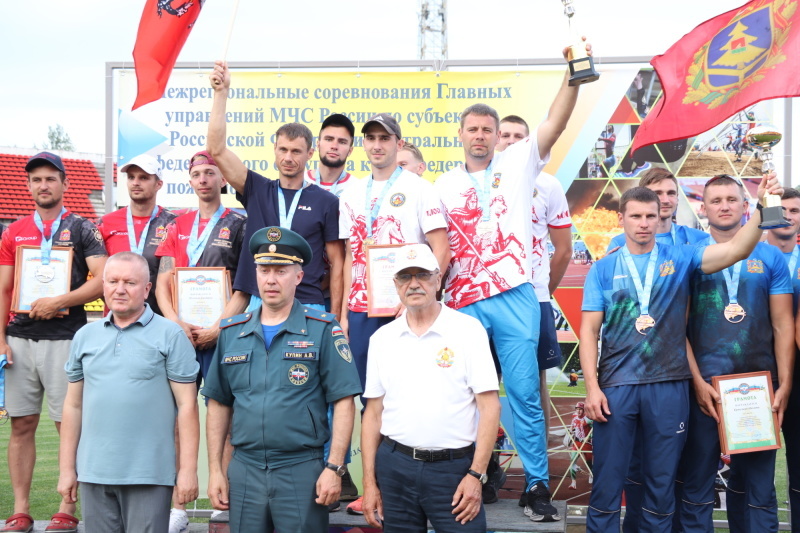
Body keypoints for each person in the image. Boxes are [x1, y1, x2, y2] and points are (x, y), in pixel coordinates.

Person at [434, 41, 591, 522]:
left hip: (514, 295)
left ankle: (537, 485)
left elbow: (555, 122)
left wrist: (573, 76)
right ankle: (463, 477)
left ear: (496, 135)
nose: (480, 135)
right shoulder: (443, 185)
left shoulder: (520, 164)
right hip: (462, 301)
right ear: (460, 134)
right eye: (473, 129)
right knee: (460, 392)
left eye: (488, 129)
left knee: (524, 393)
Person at [579, 176, 781, 533]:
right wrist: (592, 387)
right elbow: (589, 332)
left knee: (662, 486)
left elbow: (735, 251)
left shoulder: (681, 256)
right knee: (608, 484)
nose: (643, 224)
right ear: (621, 219)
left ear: (661, 219)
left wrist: (763, 208)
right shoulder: (603, 268)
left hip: (669, 384)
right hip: (617, 385)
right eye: (636, 216)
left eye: (650, 217)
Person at [202, 227, 362, 532]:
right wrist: (215, 471)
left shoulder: (322, 329)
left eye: (281, 270)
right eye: (264, 270)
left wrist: (334, 468)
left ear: (298, 277)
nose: (271, 279)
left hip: (301, 469)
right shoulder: (232, 332)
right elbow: (219, 404)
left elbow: (343, 401)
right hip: (245, 468)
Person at [338, 113, 450, 514]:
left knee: (415, 389)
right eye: (370, 138)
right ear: (362, 145)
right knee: (371, 397)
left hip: (409, 307)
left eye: (385, 138)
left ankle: (405, 485)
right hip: (363, 308)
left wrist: (421, 296)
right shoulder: (350, 192)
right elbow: (349, 256)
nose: (376, 145)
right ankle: (372, 488)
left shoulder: (420, 189)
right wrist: (345, 310)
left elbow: (441, 247)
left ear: (398, 143)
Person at [675, 175, 793, 532]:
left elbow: (783, 324)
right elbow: (677, 329)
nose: (724, 206)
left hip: (758, 388)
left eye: (731, 199)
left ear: (746, 206)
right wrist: (696, 380)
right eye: (716, 200)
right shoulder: (690, 256)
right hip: (707, 390)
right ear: (704, 208)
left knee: (757, 488)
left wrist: (784, 382)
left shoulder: (771, 256)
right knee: (697, 485)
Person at [0, 152, 107, 533]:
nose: (42, 185)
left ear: (64, 184)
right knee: (22, 424)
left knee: (69, 424)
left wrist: (60, 300)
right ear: (28, 186)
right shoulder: (14, 230)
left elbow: (102, 278)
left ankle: (67, 506)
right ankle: (21, 508)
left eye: (49, 179)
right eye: (35, 180)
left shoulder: (82, 227)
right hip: (21, 338)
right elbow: (4, 288)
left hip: (67, 338)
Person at [360, 243, 501, 532]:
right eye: (405, 277)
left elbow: (490, 407)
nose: (414, 284)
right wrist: (369, 483)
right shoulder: (382, 339)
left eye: (422, 275)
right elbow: (373, 414)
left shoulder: (468, 330)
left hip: (454, 471)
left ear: (438, 279)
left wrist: (476, 475)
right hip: (394, 467)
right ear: (395, 284)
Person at [57, 252, 200, 533]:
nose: (119, 289)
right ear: (103, 286)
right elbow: (73, 406)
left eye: (130, 282)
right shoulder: (85, 336)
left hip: (149, 474)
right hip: (94, 472)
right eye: (112, 281)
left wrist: (187, 471)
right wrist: (66, 469)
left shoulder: (170, 335)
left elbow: (187, 407)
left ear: (147, 289)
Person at [153, 150, 247, 532]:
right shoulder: (177, 225)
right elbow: (162, 281)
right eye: (197, 174)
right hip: (182, 336)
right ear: (189, 181)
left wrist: (219, 326)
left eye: (211, 172)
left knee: (226, 418)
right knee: (179, 419)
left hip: (222, 336)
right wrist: (175, 321)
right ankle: (179, 504)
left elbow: (244, 285)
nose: (204, 179)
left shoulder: (239, 224)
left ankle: (222, 499)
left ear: (223, 179)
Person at [207, 61, 344, 319]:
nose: (288, 157)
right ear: (274, 150)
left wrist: (335, 318)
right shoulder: (256, 189)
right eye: (283, 149)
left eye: (296, 151)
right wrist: (221, 94)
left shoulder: (326, 201)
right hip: (261, 303)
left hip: (309, 304)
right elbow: (217, 150)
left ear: (310, 154)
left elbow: (338, 264)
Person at [497, 114, 573, 431]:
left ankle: (537, 472)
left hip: (532, 297)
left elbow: (564, 249)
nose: (512, 141)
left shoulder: (548, 185)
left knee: (534, 382)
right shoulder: (480, 183)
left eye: (519, 136)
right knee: (478, 381)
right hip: (486, 298)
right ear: (495, 140)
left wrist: (543, 290)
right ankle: (480, 468)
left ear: (530, 144)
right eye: (505, 135)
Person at [96, 153, 176, 315]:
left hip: (158, 320)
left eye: (144, 178)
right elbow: (96, 277)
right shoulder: (105, 223)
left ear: (158, 184)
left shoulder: (174, 224)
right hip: (116, 320)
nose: (136, 183)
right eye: (131, 177)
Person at [766, 188, 800, 532]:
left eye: (795, 210)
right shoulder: (749, 258)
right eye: (782, 209)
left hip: (797, 375)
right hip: (757, 372)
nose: (788, 215)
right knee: (753, 466)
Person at [607, 168, 707, 252]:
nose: (666, 200)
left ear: (677, 197)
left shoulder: (699, 239)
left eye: (671, 193)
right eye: (658, 193)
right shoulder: (620, 243)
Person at [305, 113, 356, 197]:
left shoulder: (357, 188)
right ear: (318, 145)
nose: (334, 146)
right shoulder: (300, 182)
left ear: (350, 150)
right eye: (329, 139)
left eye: (342, 142)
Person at [567, 401, 592, 490]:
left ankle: (591, 475)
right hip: (576, 443)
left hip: (586, 444)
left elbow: (594, 428)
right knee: (572, 461)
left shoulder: (587, 419)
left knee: (589, 463)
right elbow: (572, 426)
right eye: (577, 409)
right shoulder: (574, 417)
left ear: (583, 410)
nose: (578, 411)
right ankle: (573, 483)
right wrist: (570, 431)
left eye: (580, 409)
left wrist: (589, 437)